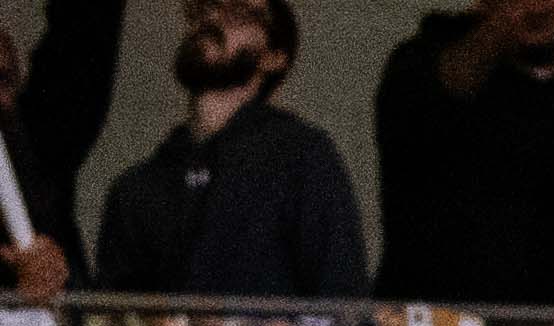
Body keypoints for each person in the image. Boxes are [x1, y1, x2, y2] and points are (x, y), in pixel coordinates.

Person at [100, 0, 371, 293]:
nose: (212, 16)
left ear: (274, 57)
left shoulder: (304, 160)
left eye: (238, 12)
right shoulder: (135, 189)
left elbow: (343, 306)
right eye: (204, 8)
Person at [379, 0, 554, 304]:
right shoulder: (417, 70)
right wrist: (497, 30)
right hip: (441, 324)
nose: (537, 5)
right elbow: (428, 104)